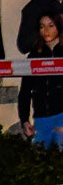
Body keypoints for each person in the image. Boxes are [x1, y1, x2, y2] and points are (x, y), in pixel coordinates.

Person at [18, 12, 63, 149]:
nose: (46, 30)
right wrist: (24, 120)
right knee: (39, 157)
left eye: (51, 26)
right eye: (42, 26)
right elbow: (25, 90)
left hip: (61, 116)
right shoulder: (34, 55)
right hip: (41, 117)